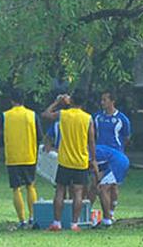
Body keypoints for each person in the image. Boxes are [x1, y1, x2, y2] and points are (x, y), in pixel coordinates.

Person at [42, 90, 97, 232]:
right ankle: (74, 224)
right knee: (78, 192)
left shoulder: (63, 114)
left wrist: (57, 102)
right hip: (81, 161)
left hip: (65, 160)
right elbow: (91, 141)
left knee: (60, 190)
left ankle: (57, 223)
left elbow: (45, 114)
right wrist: (93, 159)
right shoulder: (88, 118)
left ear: (71, 100)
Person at [3, 89, 41, 230]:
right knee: (30, 186)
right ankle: (33, 217)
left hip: (13, 156)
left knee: (16, 189)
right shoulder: (32, 115)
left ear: (12, 100)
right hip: (29, 156)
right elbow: (39, 135)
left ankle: (22, 220)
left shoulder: (6, 115)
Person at [92, 90, 132, 224]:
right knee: (96, 184)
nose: (102, 102)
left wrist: (118, 151)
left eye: (105, 100)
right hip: (100, 154)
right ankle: (92, 213)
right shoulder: (97, 117)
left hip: (115, 155)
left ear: (112, 101)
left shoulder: (122, 119)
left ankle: (110, 213)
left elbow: (126, 137)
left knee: (112, 186)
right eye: (101, 100)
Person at [93, 144, 129, 228]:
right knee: (113, 186)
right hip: (122, 160)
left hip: (117, 163)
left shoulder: (89, 152)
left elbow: (95, 168)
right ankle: (110, 215)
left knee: (103, 189)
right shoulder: (98, 151)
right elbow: (100, 170)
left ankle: (107, 220)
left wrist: (97, 182)